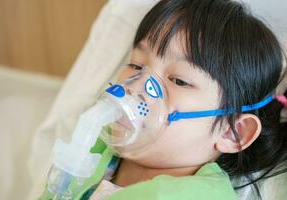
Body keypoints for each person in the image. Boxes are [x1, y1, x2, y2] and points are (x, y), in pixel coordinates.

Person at [39, 0, 287, 199]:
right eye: (136, 65)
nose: (138, 86)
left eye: (179, 80)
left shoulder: (198, 196)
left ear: (233, 133)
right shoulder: (97, 152)